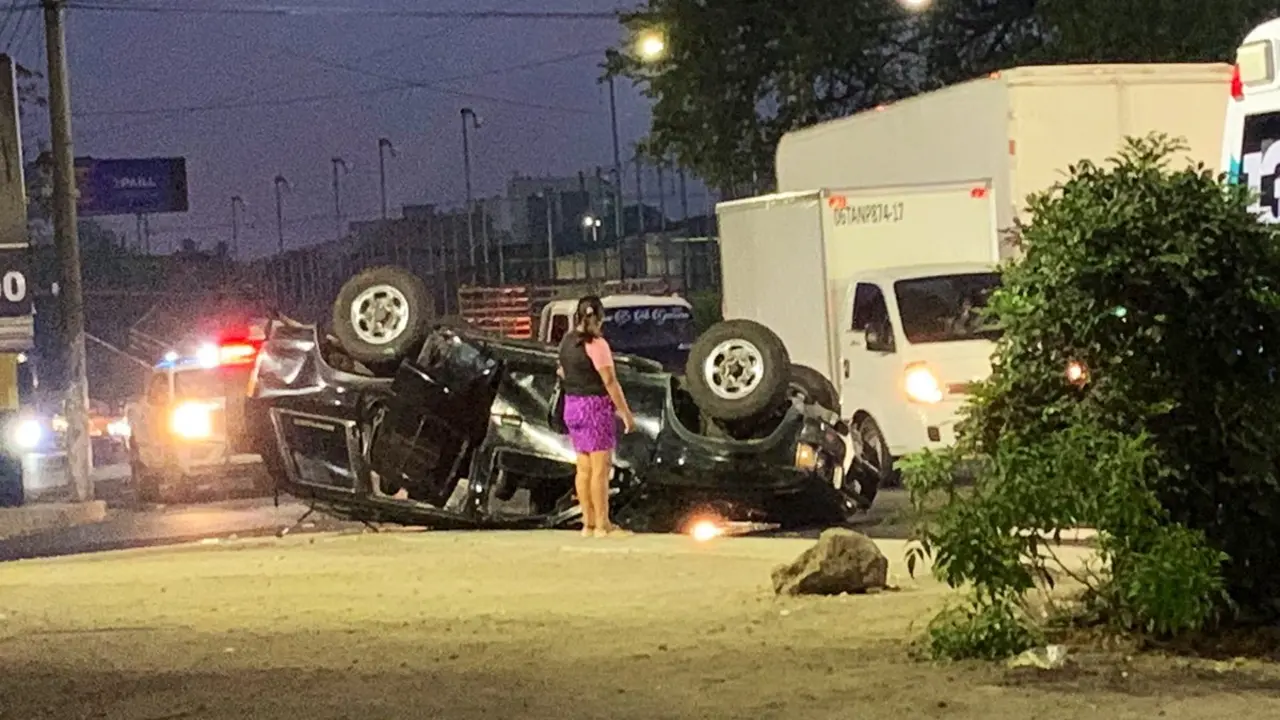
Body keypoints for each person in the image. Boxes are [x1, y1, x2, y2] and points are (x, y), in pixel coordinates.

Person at [556, 296, 636, 537]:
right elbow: (609, 381)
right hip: (595, 407)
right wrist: (626, 413)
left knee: (583, 468)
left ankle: (587, 523)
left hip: (572, 406)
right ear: (599, 318)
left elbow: (561, 371)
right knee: (601, 469)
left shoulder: (567, 342)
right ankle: (603, 524)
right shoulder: (597, 345)